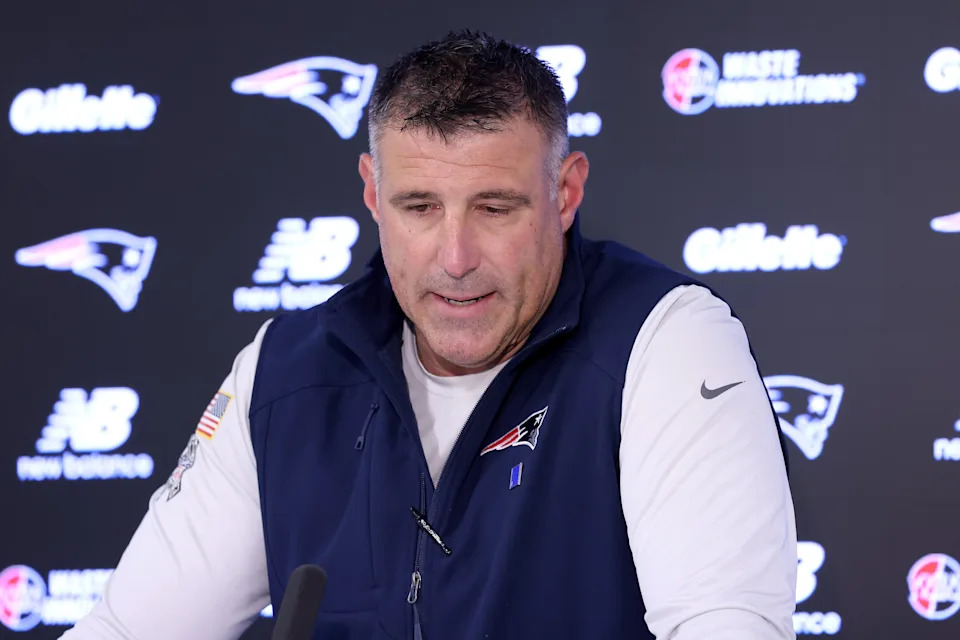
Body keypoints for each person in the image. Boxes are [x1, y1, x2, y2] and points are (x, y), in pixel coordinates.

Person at [62, 30, 797, 640]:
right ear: (372, 194)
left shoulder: (664, 340)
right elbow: (130, 630)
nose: (454, 257)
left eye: (495, 208)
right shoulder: (284, 373)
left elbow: (725, 624)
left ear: (564, 192)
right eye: (418, 207)